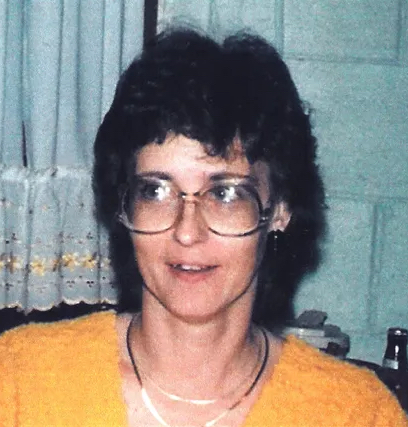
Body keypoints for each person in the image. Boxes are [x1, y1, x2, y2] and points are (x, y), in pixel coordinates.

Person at [1, 28, 407, 427]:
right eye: (156, 191)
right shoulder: (18, 380)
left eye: (226, 193)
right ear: (124, 207)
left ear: (280, 209)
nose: (187, 231)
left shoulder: (359, 414)